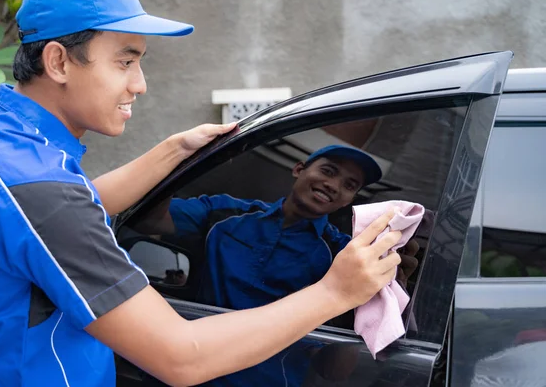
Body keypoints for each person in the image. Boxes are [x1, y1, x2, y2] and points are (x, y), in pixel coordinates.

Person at [0, 0, 403, 386]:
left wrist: (173, 150)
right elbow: (180, 356)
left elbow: (60, 216)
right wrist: (336, 293)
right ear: (59, 61)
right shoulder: (39, 186)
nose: (139, 85)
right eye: (125, 61)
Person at [139, 146, 420, 386]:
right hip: (184, 371)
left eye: (349, 185)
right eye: (328, 171)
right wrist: (178, 163)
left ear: (351, 201)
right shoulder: (224, 212)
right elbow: (149, 221)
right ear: (299, 169)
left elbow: (334, 370)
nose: (334, 186)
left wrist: (385, 293)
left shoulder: (346, 256)